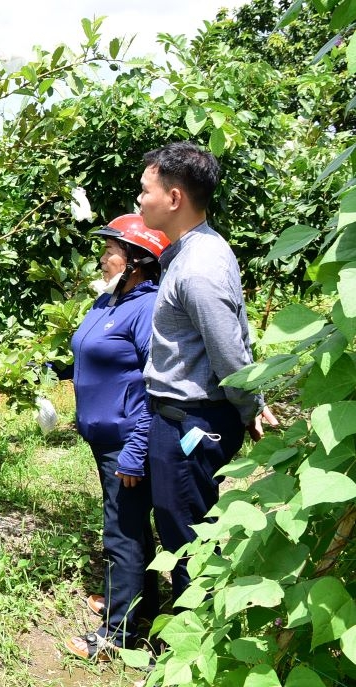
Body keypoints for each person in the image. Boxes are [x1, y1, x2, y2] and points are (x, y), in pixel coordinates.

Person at [138, 141, 278, 603]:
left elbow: (229, 351)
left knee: (187, 540)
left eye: (146, 190)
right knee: (185, 527)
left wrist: (251, 405)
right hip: (183, 418)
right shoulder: (196, 250)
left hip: (191, 423)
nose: (140, 200)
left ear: (174, 198)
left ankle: (191, 650)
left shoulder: (198, 267)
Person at [62, 215, 169, 661]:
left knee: (121, 532)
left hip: (125, 441)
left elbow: (154, 385)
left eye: (111, 251)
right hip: (101, 436)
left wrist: (135, 451)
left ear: (138, 262)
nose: (103, 259)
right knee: (129, 526)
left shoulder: (148, 308)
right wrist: (57, 371)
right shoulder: (108, 302)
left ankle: (119, 633)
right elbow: (96, 356)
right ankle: (137, 604)